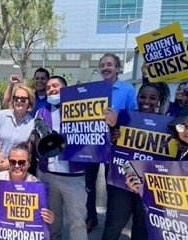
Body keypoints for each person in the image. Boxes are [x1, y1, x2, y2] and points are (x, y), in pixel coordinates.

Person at [106, 82, 171, 240]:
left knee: (142, 226)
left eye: (152, 98)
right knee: (114, 223)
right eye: (142, 97)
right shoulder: (124, 118)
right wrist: (112, 136)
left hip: (150, 185)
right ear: (137, 98)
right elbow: (105, 142)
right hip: (122, 181)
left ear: (159, 101)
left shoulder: (169, 125)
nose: (146, 101)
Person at [86, 53, 138, 233]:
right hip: (93, 144)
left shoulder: (128, 90)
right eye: (102, 65)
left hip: (116, 145)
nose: (105, 68)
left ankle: (111, 220)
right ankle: (91, 217)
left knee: (112, 185)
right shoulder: (94, 89)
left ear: (117, 68)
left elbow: (133, 118)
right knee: (89, 183)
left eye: (109, 64)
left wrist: (120, 129)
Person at [35, 75, 88, 240]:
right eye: (49, 87)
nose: (51, 89)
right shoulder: (41, 112)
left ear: (65, 89)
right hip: (48, 174)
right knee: (52, 219)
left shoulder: (81, 110)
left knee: (77, 219)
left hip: (73, 175)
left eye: (55, 86)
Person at [0, 142, 54, 240]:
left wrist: (50, 218)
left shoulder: (36, 184)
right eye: (13, 162)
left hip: (27, 230)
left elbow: (44, 215)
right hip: (1, 226)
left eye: (21, 162)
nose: (17, 166)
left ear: (29, 163)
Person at [0, 85, 35, 183]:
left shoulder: (32, 123)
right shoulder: (2, 115)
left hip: (17, 171)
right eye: (16, 98)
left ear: (29, 102)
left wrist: (9, 163)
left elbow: (29, 149)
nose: (19, 101)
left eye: (23, 99)